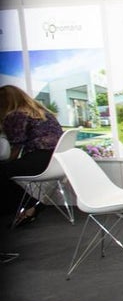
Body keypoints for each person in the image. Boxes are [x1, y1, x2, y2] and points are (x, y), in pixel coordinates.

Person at [0, 86, 64, 234]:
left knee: (3, 171)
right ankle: (29, 205)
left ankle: (28, 204)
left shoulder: (16, 115)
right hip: (57, 161)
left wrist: (9, 162)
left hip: (39, 160)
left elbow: (15, 148)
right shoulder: (43, 113)